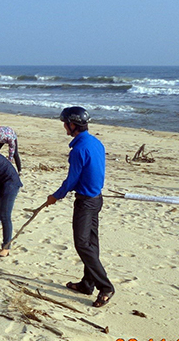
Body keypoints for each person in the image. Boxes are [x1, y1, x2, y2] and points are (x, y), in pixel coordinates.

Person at [44, 106, 115, 308]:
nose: (64, 128)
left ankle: (105, 287)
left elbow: (71, 180)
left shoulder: (79, 150)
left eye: (65, 124)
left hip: (86, 202)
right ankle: (87, 284)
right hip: (97, 198)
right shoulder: (96, 142)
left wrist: (55, 196)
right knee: (91, 244)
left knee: (82, 244)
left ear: (72, 124)